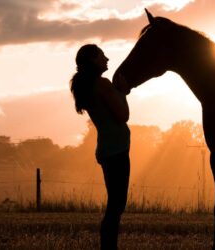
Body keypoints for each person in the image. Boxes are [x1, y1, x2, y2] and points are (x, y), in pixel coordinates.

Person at [70, 44, 130, 250]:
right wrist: (123, 92)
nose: (107, 59)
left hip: (108, 150)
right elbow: (122, 116)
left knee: (115, 204)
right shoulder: (102, 84)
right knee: (116, 205)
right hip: (116, 151)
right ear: (93, 60)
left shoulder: (88, 86)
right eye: (102, 55)